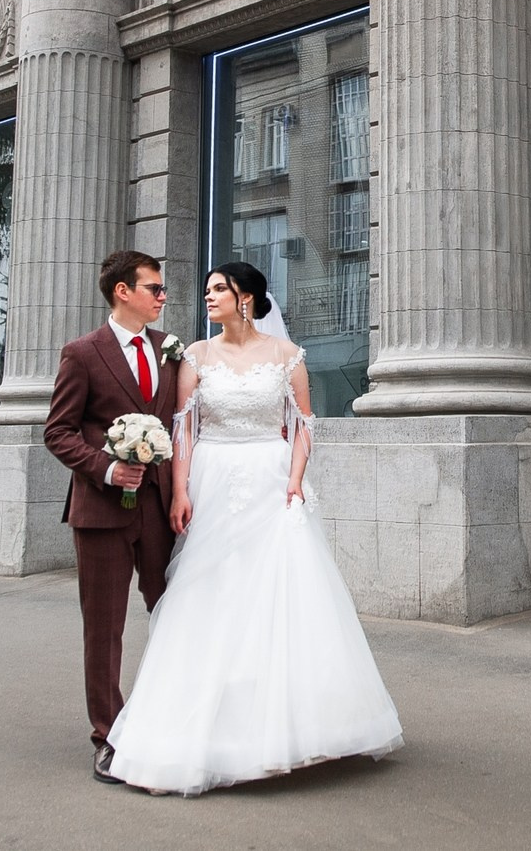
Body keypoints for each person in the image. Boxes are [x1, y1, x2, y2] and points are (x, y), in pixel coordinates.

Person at [105, 260, 403, 794]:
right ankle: (201, 724)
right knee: (210, 594)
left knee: (277, 596)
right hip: (213, 481)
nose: (208, 297)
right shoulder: (195, 355)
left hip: (269, 479)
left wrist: (294, 480)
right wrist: (179, 491)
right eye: (207, 290)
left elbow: (303, 426)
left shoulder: (288, 357)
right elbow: (186, 431)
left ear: (246, 297)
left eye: (218, 289)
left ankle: (290, 727)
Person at [43, 250, 179, 784]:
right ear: (123, 291)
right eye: (154, 288)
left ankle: (172, 717)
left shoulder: (171, 352)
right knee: (105, 630)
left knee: (174, 614)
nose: (163, 297)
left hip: (162, 510)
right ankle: (109, 735)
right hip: (101, 512)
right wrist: (105, 469)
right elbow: (58, 431)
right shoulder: (82, 353)